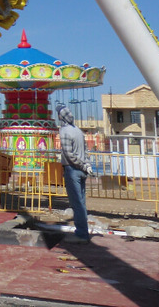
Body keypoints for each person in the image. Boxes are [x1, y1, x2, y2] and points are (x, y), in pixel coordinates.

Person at [56, 104, 94, 244]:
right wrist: (87, 165)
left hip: (72, 170)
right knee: (82, 203)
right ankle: (82, 230)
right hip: (83, 170)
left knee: (76, 203)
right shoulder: (78, 131)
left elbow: (68, 153)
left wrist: (82, 164)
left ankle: (82, 233)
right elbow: (85, 151)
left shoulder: (64, 131)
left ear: (61, 117)